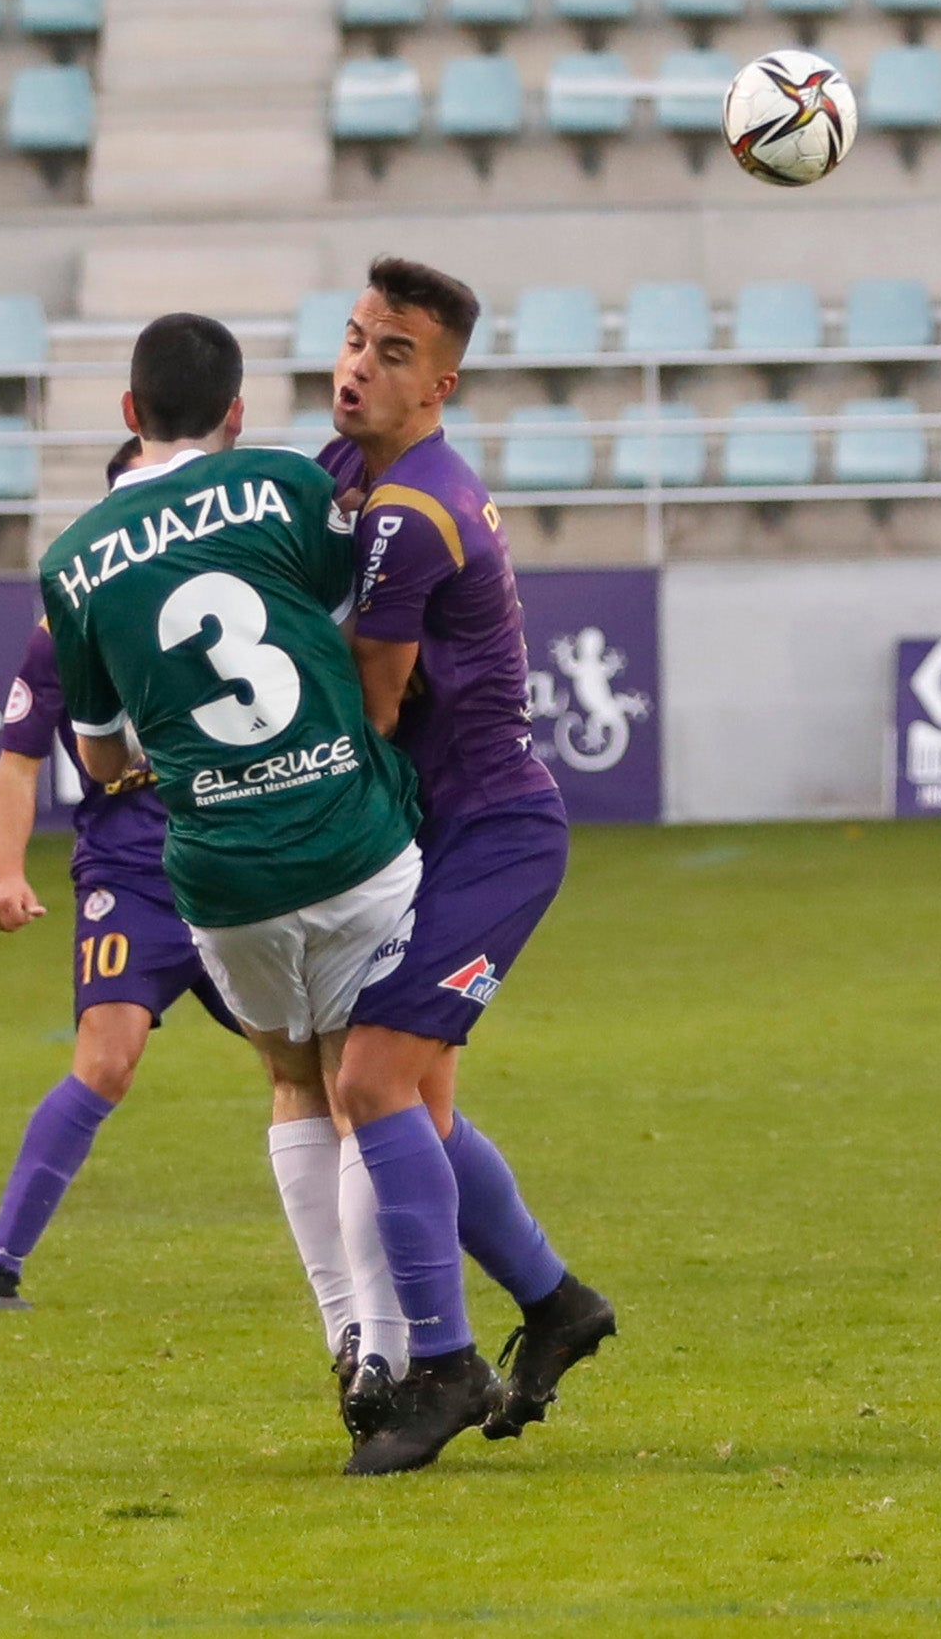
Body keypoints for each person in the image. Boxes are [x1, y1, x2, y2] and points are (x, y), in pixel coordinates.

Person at [39, 313, 427, 1435]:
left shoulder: (72, 564)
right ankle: (393, 1355)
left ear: (127, 415)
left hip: (218, 869)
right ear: (238, 413)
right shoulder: (285, 487)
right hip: (348, 837)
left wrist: (154, 749)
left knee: (297, 1084)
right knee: (378, 1092)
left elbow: (102, 756)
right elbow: (361, 644)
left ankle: (345, 1331)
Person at [319, 256, 615, 1477]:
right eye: (352, 337)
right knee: (417, 1105)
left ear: (439, 384)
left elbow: (375, 706)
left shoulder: (412, 510)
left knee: (373, 1081)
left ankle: (442, 1364)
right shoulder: (354, 471)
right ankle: (556, 1303)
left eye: (392, 354)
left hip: (493, 836)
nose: (357, 367)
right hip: (449, 831)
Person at [0, 438, 241, 1313]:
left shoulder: (229, 591)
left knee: (331, 1068)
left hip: (238, 863)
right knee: (107, 1060)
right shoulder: (68, 624)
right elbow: (17, 760)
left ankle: (404, 1262)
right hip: (133, 869)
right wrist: (8, 872)